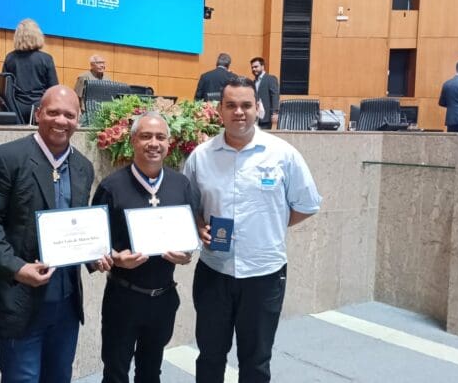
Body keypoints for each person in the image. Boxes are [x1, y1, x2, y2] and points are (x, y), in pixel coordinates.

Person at [183, 76, 322, 383]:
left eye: (246, 105)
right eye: (231, 105)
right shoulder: (200, 157)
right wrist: (199, 226)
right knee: (210, 355)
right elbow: (189, 207)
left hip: (264, 274)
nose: (239, 112)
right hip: (214, 271)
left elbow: (307, 204)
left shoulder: (283, 154)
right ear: (220, 110)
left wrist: (271, 224)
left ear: (258, 108)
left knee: (256, 360)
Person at [0, 85, 113, 383]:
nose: (61, 120)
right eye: (53, 112)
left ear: (78, 120)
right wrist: (16, 267)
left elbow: (78, 224)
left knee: (60, 376)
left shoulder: (83, 166)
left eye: (69, 115)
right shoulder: (6, 158)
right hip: (20, 298)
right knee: (21, 378)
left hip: (66, 303)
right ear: (38, 114)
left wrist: (94, 255)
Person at [91, 112, 196, 383]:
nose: (154, 143)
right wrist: (116, 258)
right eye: (146, 136)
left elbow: (188, 237)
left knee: (151, 372)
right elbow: (94, 243)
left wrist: (185, 255)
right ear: (133, 141)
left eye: (160, 137)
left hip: (163, 297)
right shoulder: (111, 187)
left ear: (169, 143)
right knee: (115, 373)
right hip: (123, 298)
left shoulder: (180, 185)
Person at [2, 18, 59, 124]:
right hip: (40, 109)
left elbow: (4, 90)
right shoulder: (46, 59)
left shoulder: (10, 58)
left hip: (16, 109)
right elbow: (54, 90)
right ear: (38, 36)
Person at [250, 57, 280, 129]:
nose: (253, 69)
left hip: (266, 117)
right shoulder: (253, 82)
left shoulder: (270, 79)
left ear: (262, 66)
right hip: (255, 117)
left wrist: (275, 113)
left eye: (256, 67)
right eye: (252, 67)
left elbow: (275, 95)